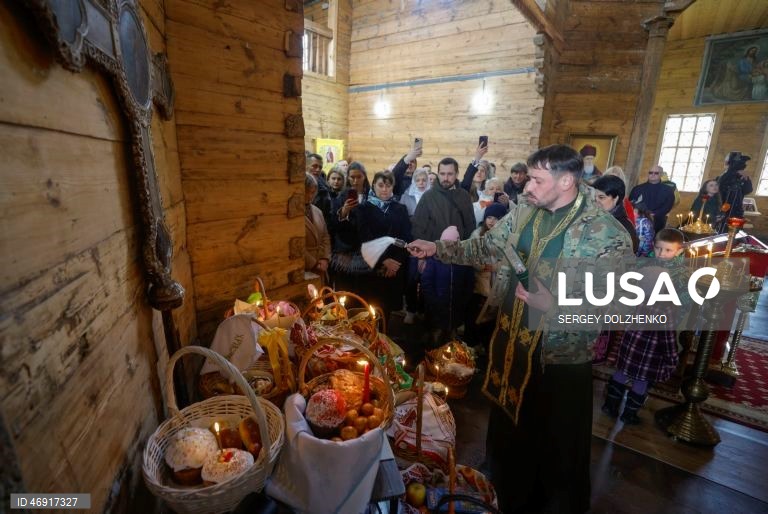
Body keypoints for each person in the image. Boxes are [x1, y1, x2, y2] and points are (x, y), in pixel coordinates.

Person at [408, 144, 632, 513]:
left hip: (558, 361)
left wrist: (556, 305)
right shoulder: (525, 212)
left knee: (555, 449)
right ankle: (502, 490)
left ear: (566, 181)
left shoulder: (606, 233)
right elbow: (487, 248)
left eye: (537, 180)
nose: (527, 186)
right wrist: (437, 249)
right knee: (508, 434)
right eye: (528, 177)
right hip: (511, 345)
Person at [602, 228, 688, 425]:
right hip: (650, 335)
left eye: (668, 251)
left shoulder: (681, 273)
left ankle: (613, 406)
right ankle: (622, 411)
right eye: (658, 249)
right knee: (636, 377)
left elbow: (683, 299)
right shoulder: (648, 267)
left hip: (642, 329)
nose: (662, 254)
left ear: (679, 251)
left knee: (624, 371)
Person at [352, 171, 412, 320]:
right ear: (373, 186)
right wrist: (384, 260)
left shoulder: (400, 209)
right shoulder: (363, 209)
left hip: (393, 268)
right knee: (368, 310)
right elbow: (364, 237)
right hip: (371, 266)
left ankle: (384, 340)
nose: (384, 189)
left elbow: (406, 238)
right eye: (380, 185)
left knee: (386, 311)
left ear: (393, 186)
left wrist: (396, 263)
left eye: (388, 185)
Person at [420, 226, 474, 345]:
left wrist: (464, 300)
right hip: (437, 306)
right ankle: (432, 357)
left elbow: (469, 283)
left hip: (456, 307)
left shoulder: (465, 260)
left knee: (452, 339)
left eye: (452, 243)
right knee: (436, 337)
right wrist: (433, 300)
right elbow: (426, 281)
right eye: (445, 243)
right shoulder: (434, 260)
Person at [464, 202, 507, 352]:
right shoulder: (477, 234)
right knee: (474, 316)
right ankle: (471, 345)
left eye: (495, 218)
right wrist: (483, 266)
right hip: (479, 284)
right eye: (489, 217)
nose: (491, 221)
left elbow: (508, 260)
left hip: (497, 284)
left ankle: (486, 346)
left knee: (490, 320)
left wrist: (494, 267)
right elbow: (471, 255)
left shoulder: (506, 237)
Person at [412, 157, 476, 241]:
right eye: (442, 174)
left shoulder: (464, 196)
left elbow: (470, 225)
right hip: (434, 250)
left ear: (456, 174)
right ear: (438, 174)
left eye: (450, 174)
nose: (445, 178)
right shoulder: (428, 197)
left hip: (459, 250)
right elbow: (418, 228)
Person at [593, 175, 639, 254]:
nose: (596, 201)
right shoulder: (596, 217)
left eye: (601, 197)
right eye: (595, 197)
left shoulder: (623, 227)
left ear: (616, 198)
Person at [629, 165, 675, 233]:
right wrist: (643, 214)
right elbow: (631, 203)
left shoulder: (668, 190)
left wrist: (654, 214)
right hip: (640, 221)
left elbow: (668, 205)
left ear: (661, 175)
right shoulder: (637, 189)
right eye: (651, 172)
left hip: (658, 221)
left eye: (656, 173)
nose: (653, 175)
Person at [304, 173, 331, 284]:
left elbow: (325, 236)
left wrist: (325, 258)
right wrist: (313, 263)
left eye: (313, 192)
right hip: (306, 266)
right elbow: (296, 244)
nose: (311, 196)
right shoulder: (292, 215)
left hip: (321, 264)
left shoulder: (317, 211)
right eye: (308, 192)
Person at [717, 151, 753, 227]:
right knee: (721, 231)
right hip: (724, 208)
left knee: (735, 230)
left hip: (737, 209)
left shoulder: (742, 176)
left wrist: (746, 179)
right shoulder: (723, 177)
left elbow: (748, 190)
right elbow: (720, 191)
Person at [308, 153, 333, 222]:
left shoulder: (324, 190)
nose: (318, 169)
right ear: (305, 166)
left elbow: (327, 215)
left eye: (320, 167)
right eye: (314, 166)